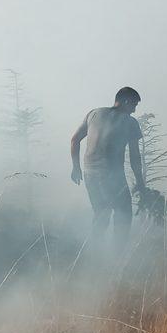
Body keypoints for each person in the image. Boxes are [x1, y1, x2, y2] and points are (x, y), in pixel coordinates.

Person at [70, 87, 144, 250]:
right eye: (134, 105)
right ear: (126, 101)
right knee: (123, 215)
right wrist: (140, 183)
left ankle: (94, 254)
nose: (134, 109)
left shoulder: (94, 114)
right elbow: (135, 157)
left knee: (101, 215)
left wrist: (76, 168)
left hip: (90, 175)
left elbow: (75, 140)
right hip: (111, 176)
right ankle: (118, 257)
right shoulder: (130, 122)